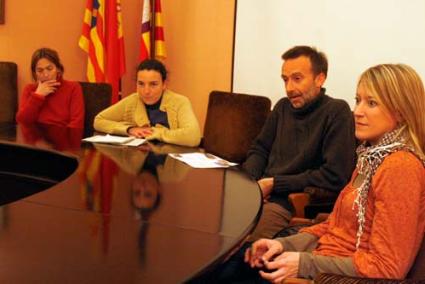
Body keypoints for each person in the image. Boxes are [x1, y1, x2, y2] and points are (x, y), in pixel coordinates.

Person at [244, 63, 425, 282]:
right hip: (322, 259)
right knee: (239, 261)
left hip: (326, 276)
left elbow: (387, 267)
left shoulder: (400, 167)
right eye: (358, 100)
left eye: (372, 103)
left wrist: (303, 265)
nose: (357, 112)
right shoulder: (370, 157)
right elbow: (335, 227)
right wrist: (283, 245)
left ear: (401, 113)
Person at [242, 46, 356, 240]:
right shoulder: (282, 107)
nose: (289, 88)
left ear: (320, 79)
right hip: (259, 193)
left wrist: (275, 184)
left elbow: (334, 175)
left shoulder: (337, 112)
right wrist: (252, 184)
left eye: (297, 79)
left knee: (246, 250)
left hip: (286, 201)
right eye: (285, 80)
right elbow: (260, 149)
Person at [94, 59, 201, 147]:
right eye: (141, 84)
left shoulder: (180, 102)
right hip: (139, 162)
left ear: (164, 84)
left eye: (153, 84)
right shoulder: (133, 100)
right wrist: (129, 129)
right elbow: (99, 121)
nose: (146, 91)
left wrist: (158, 133)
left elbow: (193, 137)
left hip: (170, 164)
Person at [16, 47, 85, 128]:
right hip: (35, 138)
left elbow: (76, 124)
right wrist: (37, 96)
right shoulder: (29, 89)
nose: (45, 74)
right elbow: (22, 122)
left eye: (49, 69)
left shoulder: (73, 87)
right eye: (40, 70)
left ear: (58, 69)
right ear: (35, 73)